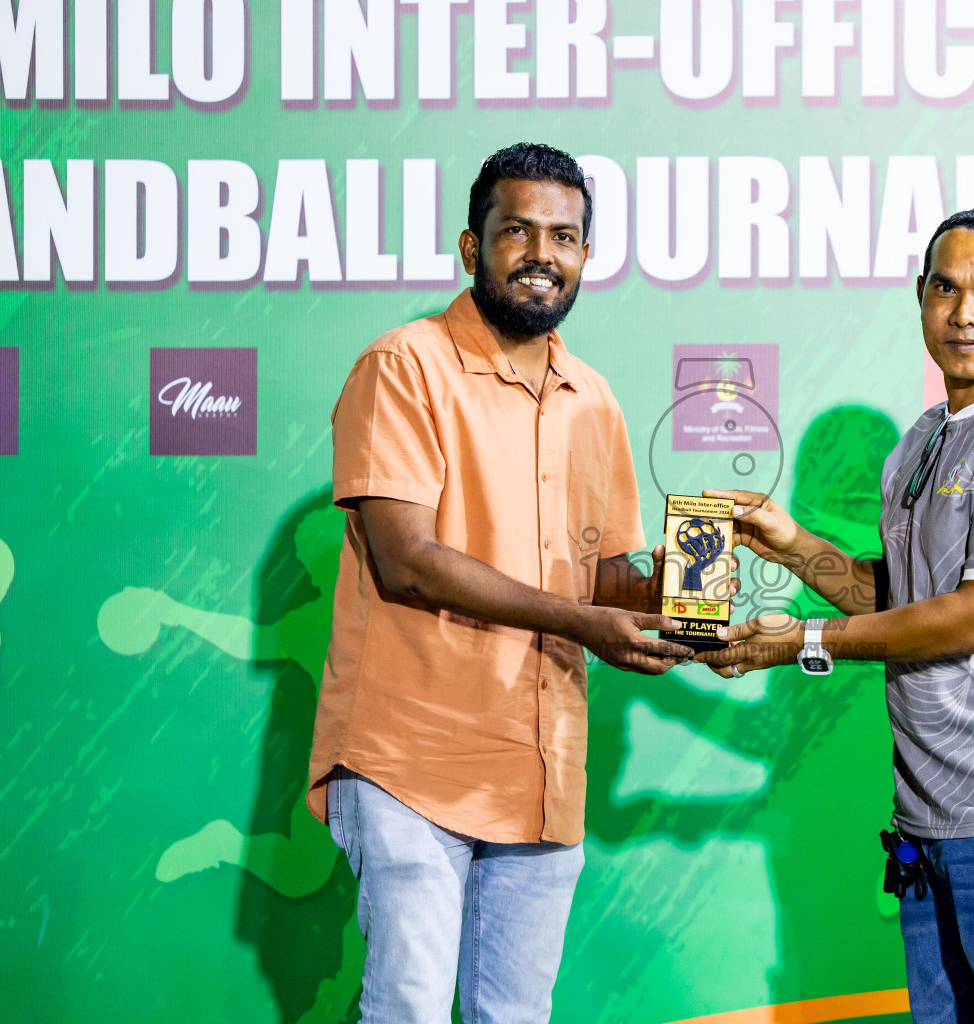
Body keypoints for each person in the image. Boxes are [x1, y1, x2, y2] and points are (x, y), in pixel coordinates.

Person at [699, 208, 974, 1024]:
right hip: (930, 817)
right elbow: (903, 599)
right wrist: (791, 544)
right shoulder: (925, 438)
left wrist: (803, 642)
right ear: (921, 298)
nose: (966, 313)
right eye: (946, 288)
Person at [305, 142, 693, 1024]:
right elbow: (407, 561)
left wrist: (692, 595)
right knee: (407, 1007)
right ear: (471, 246)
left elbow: (607, 578)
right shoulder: (403, 366)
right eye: (516, 230)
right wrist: (586, 622)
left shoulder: (593, 398)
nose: (541, 253)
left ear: (586, 257)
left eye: (564, 235)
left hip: (543, 765)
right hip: (412, 758)